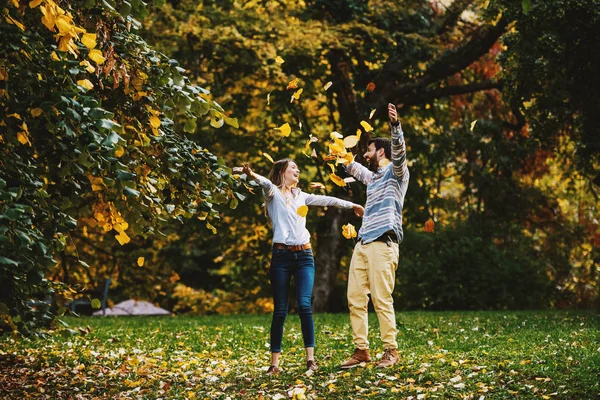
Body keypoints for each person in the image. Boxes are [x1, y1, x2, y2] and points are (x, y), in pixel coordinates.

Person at [240, 159, 364, 375]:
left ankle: (310, 360)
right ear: (282, 172)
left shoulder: (302, 196)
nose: (297, 170)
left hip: (304, 256)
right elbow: (265, 183)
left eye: (298, 167)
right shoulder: (273, 194)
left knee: (305, 306)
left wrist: (352, 205)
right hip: (281, 257)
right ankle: (274, 364)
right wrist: (251, 175)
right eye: (293, 168)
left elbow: (328, 199)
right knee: (280, 311)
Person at [339, 103, 409, 369]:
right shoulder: (374, 178)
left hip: (384, 242)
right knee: (355, 298)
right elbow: (354, 169)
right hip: (363, 243)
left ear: (380, 151)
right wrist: (338, 156)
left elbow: (400, 155)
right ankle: (361, 351)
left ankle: (390, 350)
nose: (366, 153)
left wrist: (395, 127)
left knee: (381, 299)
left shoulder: (396, 174)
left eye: (369, 149)